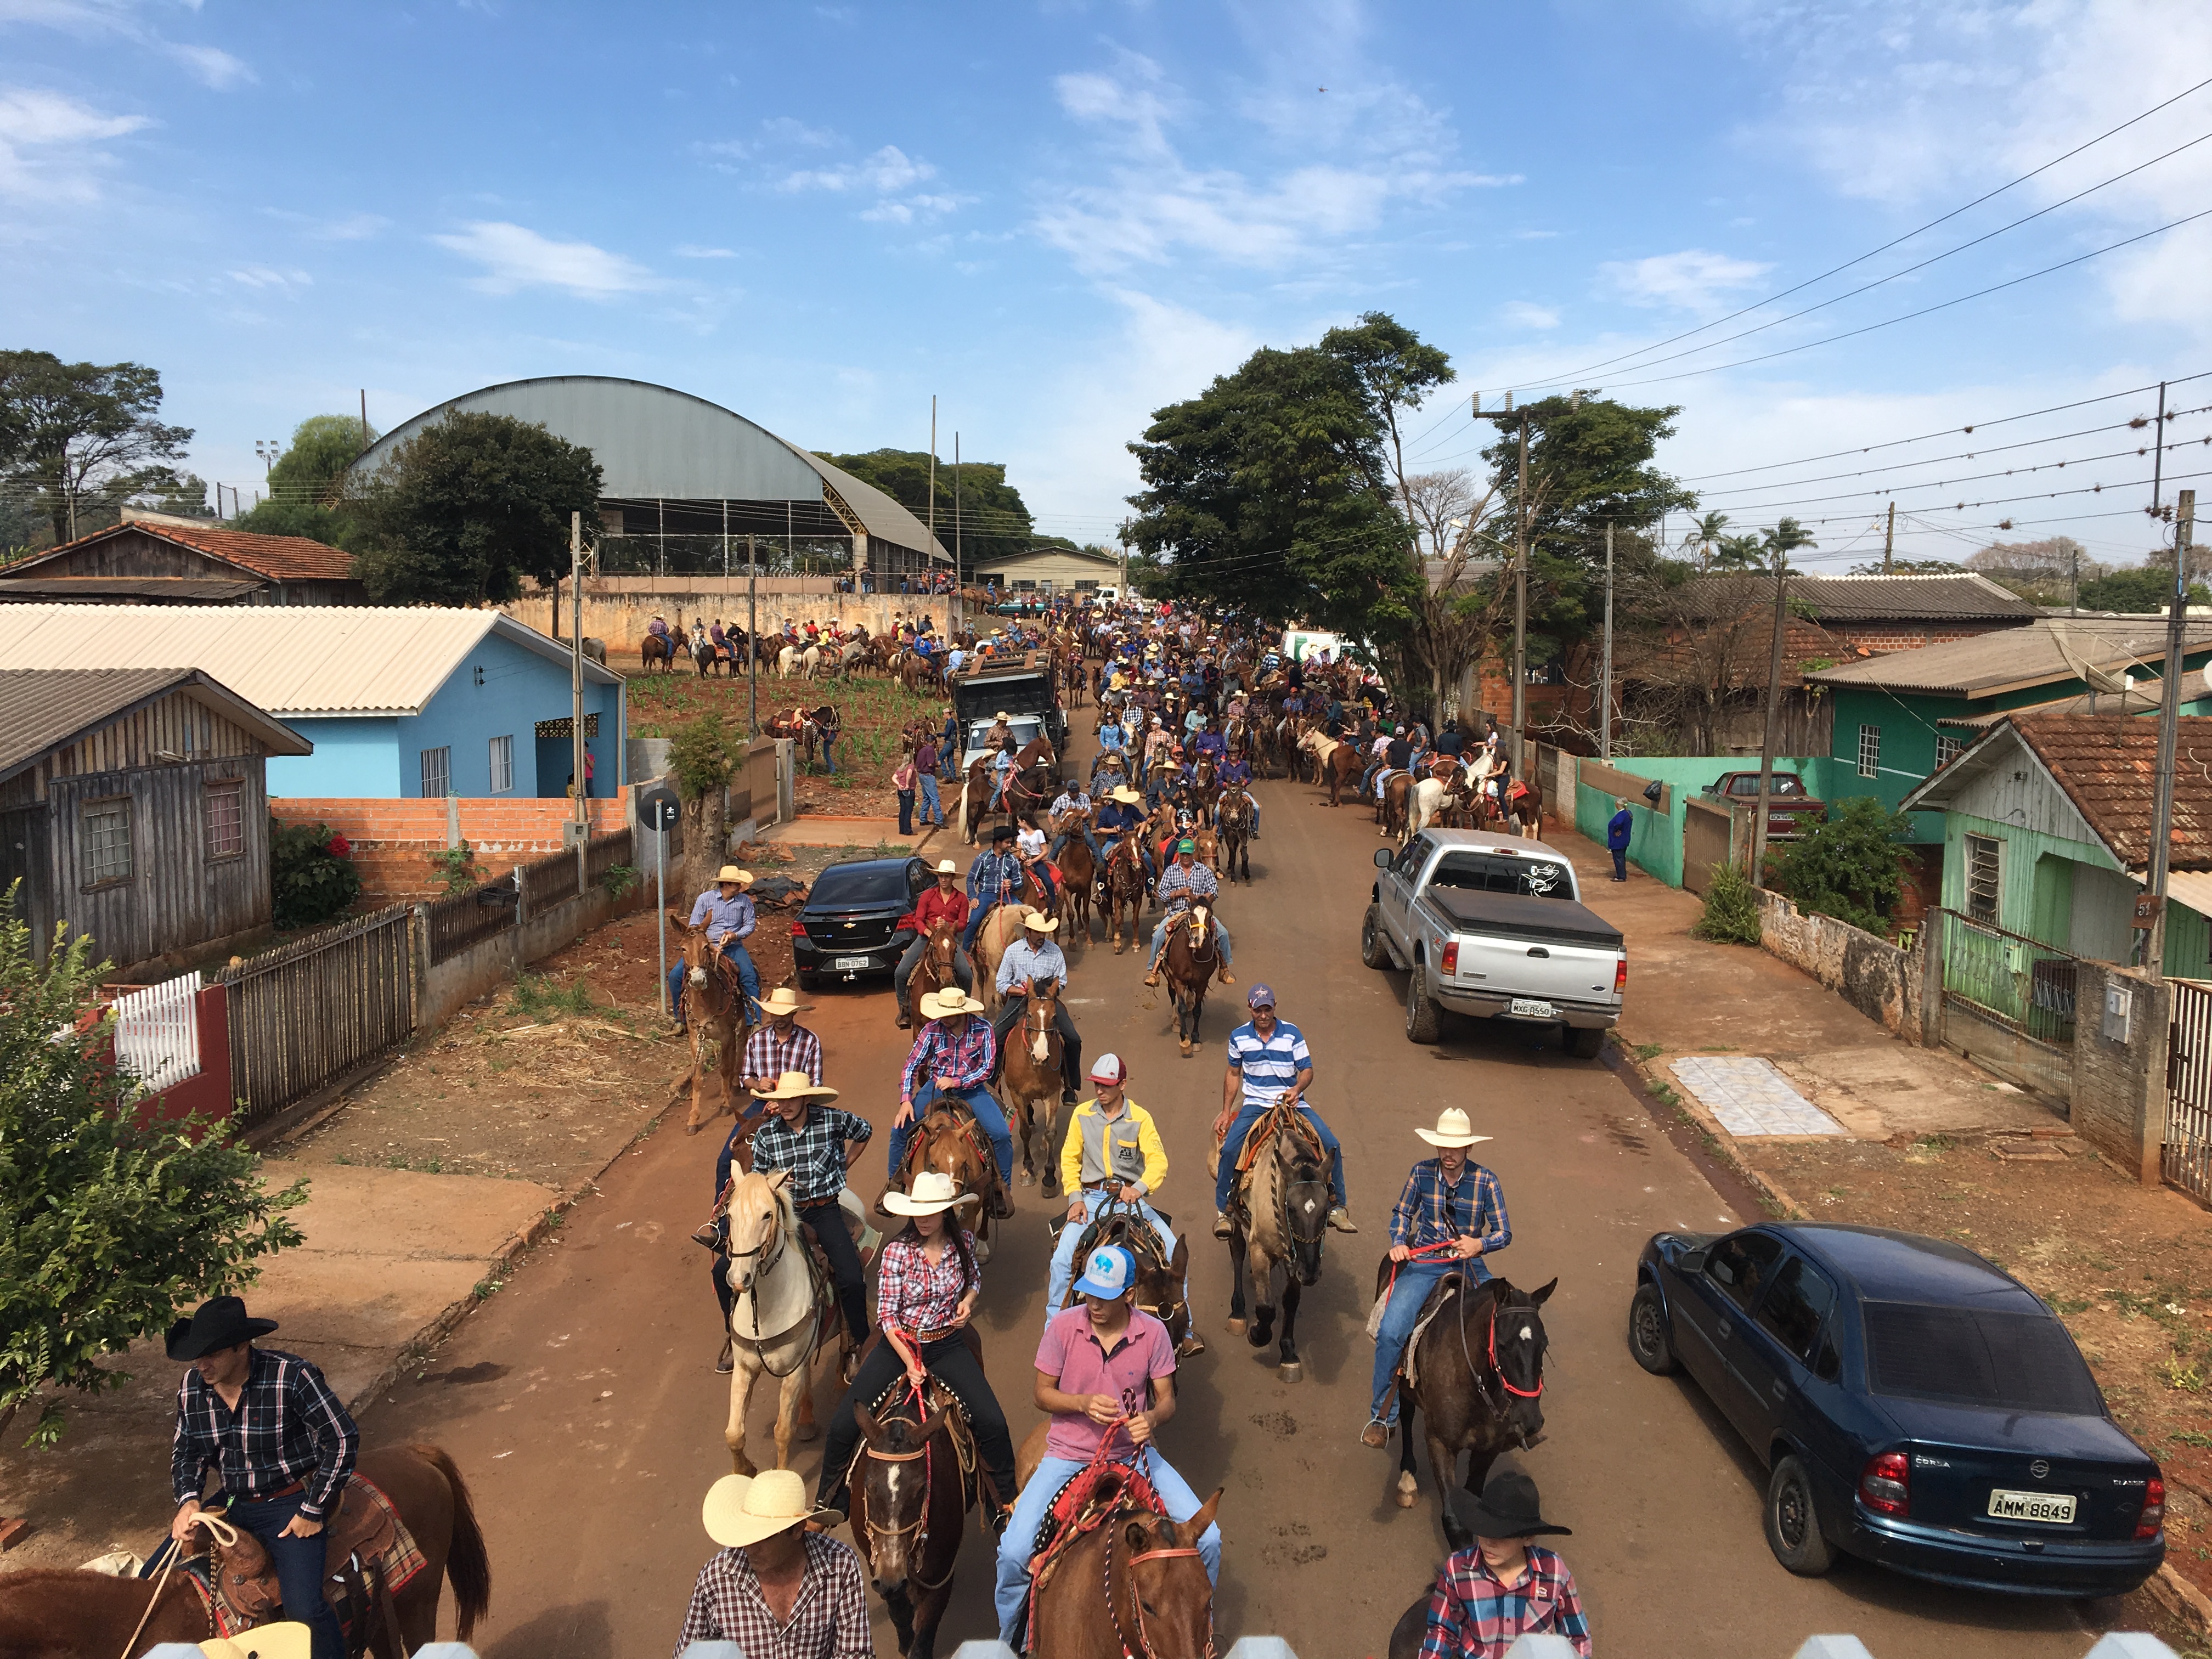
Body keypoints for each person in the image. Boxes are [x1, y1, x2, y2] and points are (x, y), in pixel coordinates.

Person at [992, 1246, 1221, 1646]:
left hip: (1133, 1455)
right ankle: (1012, 1643)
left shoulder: (1152, 1334)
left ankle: (1196, 1632)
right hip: (1067, 1455)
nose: (1093, 1304)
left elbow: (1167, 1399)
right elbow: (1041, 1394)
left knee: (1212, 1539)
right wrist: (1080, 1403)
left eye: (1104, 1297)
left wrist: (1150, 1418)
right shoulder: (1063, 1327)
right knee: (1013, 1554)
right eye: (1088, 1293)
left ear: (1129, 1296)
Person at [816, 1170, 1016, 1533]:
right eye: (918, 1211)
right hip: (900, 1345)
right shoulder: (897, 1252)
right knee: (845, 1422)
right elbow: (887, 1315)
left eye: (932, 1210)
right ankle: (827, 1503)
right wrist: (909, 1362)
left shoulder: (964, 1244)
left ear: (947, 1212)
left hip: (946, 1344)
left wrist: (967, 1304)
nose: (923, 1218)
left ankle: (1004, 1503)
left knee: (993, 1422)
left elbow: (974, 1282)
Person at [168, 1296, 359, 1659]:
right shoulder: (192, 1387)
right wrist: (188, 1500)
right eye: (198, 1355)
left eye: (213, 1354)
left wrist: (312, 1509)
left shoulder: (292, 1376)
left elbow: (342, 1437)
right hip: (233, 1501)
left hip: (289, 1501)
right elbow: (188, 1451)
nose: (202, 1365)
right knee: (153, 1576)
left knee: (305, 1612)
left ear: (242, 1347)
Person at [1364, 1108, 1509, 1448]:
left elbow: (1504, 1232)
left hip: (1469, 1265)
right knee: (1391, 1330)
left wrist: (1480, 1243)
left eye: (1455, 1148)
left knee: (1506, 1325)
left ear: (1468, 1150)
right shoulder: (1421, 1173)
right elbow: (1402, 1213)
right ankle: (1382, 1417)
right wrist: (1399, 1242)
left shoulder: (1487, 1181)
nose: (1448, 1154)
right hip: (1425, 1262)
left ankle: (1511, 1414)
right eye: (1443, 1147)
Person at [676, 1468, 872, 1659]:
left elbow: (855, 1652)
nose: (750, 1548)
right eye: (747, 1534)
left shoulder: (840, 1566)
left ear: (797, 1530)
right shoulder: (716, 1579)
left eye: (763, 1537)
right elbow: (688, 1652)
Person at [1211, 984, 1353, 1239]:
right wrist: (1224, 1112)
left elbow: (1307, 1070)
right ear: (1250, 1009)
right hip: (1256, 1104)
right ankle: (1224, 1211)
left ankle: (1337, 1206)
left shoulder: (1292, 1034)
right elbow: (1233, 1074)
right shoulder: (1238, 1037)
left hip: (1292, 1103)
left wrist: (1297, 1088)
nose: (1263, 1015)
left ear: (1275, 1007)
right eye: (1258, 1010)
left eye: (1267, 1009)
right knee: (1231, 1149)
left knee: (1332, 1144)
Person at [749, 1073, 874, 1351]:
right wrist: (775, 1184)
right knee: (733, 1268)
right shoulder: (766, 1135)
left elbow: (865, 1132)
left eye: (792, 1099)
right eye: (781, 1101)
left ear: (806, 1098)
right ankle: (737, 1339)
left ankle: (859, 1342)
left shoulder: (833, 1120)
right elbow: (757, 1180)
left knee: (852, 1278)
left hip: (824, 1210)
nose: (785, 1106)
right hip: (784, 1211)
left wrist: (844, 1166)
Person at [1049, 1054, 1177, 1317]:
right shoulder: (1082, 1115)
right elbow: (1070, 1159)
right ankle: (1055, 1327)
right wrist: (1075, 1198)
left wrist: (1138, 1189)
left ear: (1122, 1085)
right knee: (1062, 1261)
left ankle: (1184, 1329)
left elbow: (1158, 1162)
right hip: (1091, 1199)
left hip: (1132, 1199)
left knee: (1174, 1251)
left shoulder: (1141, 1118)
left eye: (1106, 1085)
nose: (1099, 1090)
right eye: (1096, 1084)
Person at [1417, 1472, 1589, 1658]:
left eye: (1501, 1536)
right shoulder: (1457, 1569)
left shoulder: (1554, 1572)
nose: (1489, 1543)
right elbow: (1443, 1631)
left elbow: (1577, 1637)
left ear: (1528, 1538)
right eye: (1483, 1530)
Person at [891, 988, 1016, 1211]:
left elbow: (987, 1069)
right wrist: (906, 1101)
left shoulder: (983, 1029)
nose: (944, 1019)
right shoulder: (932, 1030)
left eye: (949, 1015)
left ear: (962, 1012)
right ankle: (894, 1183)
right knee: (900, 1129)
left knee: (1001, 1135)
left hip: (972, 1090)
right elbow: (911, 1065)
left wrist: (956, 1082)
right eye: (942, 1014)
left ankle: (1001, 1188)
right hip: (936, 1088)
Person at [991, 911, 1082, 1105]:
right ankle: (992, 1083)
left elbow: (1062, 981)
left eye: (1044, 933)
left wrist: (1048, 991)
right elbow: (1001, 983)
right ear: (1027, 932)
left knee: (1073, 1039)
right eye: (1038, 933)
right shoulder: (1013, 951)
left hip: (1048, 1001)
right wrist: (1019, 990)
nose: (1043, 936)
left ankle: (1070, 1085)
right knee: (995, 1036)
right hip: (1020, 999)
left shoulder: (1055, 951)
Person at [670, 865, 762, 1029]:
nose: (740, 887)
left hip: (733, 947)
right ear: (726, 884)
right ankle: (680, 1019)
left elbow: (750, 925)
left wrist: (735, 935)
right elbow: (694, 927)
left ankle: (754, 1020)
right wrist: (709, 946)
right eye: (736, 884)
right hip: (704, 947)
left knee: (749, 976)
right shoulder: (705, 899)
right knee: (676, 976)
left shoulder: (744, 902)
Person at [1142, 840, 1233, 988]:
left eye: (1188, 854)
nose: (1186, 857)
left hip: (1200, 913)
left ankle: (1224, 969)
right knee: (1159, 935)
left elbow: (1214, 891)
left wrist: (1202, 899)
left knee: (1223, 933)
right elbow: (1162, 894)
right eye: (1183, 854)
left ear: (1193, 854)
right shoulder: (1171, 871)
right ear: (1179, 854)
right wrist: (1179, 893)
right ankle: (1154, 971)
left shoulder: (1203, 870)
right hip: (1177, 912)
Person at [895, 859, 975, 1028]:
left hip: (949, 940)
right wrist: (930, 933)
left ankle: (964, 1008)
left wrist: (948, 927)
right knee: (901, 972)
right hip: (926, 938)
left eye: (946, 876)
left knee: (966, 974)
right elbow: (918, 920)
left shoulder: (960, 898)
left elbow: (963, 924)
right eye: (941, 876)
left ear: (952, 878)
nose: (943, 880)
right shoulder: (928, 896)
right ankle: (905, 1010)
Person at [962, 824, 1028, 956]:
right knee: (973, 922)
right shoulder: (982, 859)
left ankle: (1029, 950)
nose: (1010, 845)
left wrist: (1012, 884)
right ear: (998, 842)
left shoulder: (1013, 861)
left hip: (1007, 896)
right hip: (986, 895)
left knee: (1027, 918)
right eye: (1008, 842)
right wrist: (973, 897)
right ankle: (965, 953)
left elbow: (1020, 881)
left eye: (1011, 842)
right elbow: (971, 880)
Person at [1048, 782, 1097, 866]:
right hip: (1066, 828)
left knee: (1093, 844)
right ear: (1068, 791)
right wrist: (1053, 824)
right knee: (1057, 846)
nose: (1075, 794)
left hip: (1082, 826)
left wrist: (1078, 818)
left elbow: (1089, 812)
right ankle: (1049, 866)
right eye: (1073, 792)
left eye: (1077, 792)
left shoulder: (1084, 797)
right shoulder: (1061, 799)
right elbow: (1051, 814)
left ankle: (1101, 869)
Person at [915, 732, 945, 828]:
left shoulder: (922, 750)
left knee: (927, 798)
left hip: (921, 775)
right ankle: (939, 821)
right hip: (928, 776)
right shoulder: (930, 750)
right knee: (934, 798)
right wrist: (938, 764)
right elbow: (930, 764)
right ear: (933, 742)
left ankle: (923, 819)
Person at [1606, 798, 1633, 883]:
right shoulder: (1628, 813)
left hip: (1619, 841)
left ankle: (1621, 876)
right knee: (1621, 857)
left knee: (1618, 858)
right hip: (1625, 839)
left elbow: (1618, 824)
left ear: (1618, 805)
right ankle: (1621, 874)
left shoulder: (1621, 815)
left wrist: (1615, 830)